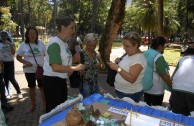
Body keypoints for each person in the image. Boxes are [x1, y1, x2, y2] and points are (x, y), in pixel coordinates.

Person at [43, 17, 85, 113]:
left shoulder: (64, 43)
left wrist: (75, 65)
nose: (73, 31)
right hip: (52, 82)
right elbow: (56, 67)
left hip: (60, 80)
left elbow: (66, 62)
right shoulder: (55, 43)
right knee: (53, 112)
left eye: (74, 28)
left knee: (61, 109)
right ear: (62, 27)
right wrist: (75, 68)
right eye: (71, 28)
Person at [107, 32, 147, 102]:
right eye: (123, 45)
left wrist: (117, 68)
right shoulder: (130, 53)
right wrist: (119, 61)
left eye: (127, 46)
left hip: (130, 94)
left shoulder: (139, 59)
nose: (124, 48)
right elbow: (127, 65)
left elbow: (132, 79)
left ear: (136, 45)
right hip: (123, 91)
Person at [16, 27, 46, 113]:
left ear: (37, 34)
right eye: (30, 33)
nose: (32, 35)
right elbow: (18, 57)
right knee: (32, 88)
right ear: (27, 35)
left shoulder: (41, 44)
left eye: (34, 33)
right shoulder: (23, 45)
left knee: (42, 88)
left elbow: (47, 55)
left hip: (40, 70)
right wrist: (25, 62)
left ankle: (45, 106)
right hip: (29, 71)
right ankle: (33, 105)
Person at [143, 36, 172, 106]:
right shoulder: (158, 57)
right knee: (156, 110)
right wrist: (171, 85)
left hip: (146, 87)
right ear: (159, 46)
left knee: (147, 109)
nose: (164, 47)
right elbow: (163, 75)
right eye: (164, 46)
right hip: (157, 90)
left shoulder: (145, 53)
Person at [78, 33, 104, 98]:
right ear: (86, 43)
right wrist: (79, 70)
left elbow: (103, 66)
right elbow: (70, 64)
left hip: (95, 82)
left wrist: (100, 65)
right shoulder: (81, 53)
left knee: (97, 101)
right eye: (90, 45)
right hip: (85, 83)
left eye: (94, 45)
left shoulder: (97, 53)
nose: (92, 47)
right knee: (87, 103)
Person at [171, 48, 194, 117]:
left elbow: (172, 77)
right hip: (191, 90)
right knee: (191, 115)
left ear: (185, 54)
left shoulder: (182, 60)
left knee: (177, 115)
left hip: (177, 89)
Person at [0, 31, 23, 99]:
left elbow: (13, 53)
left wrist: (10, 44)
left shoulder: (11, 43)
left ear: (7, 36)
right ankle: (8, 93)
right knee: (5, 79)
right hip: (2, 63)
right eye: (1, 35)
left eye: (4, 35)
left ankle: (19, 92)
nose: (3, 37)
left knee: (12, 78)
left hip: (10, 62)